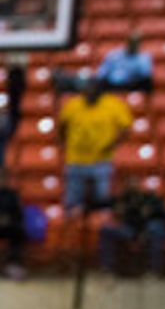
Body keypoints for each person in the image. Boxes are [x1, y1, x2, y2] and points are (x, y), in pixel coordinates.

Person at [55, 77, 134, 213]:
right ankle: (70, 228)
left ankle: (101, 228)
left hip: (101, 160)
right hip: (76, 159)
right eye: (88, 90)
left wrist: (113, 144)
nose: (90, 93)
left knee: (102, 200)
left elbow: (126, 128)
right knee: (72, 202)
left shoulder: (113, 105)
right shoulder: (72, 105)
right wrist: (64, 143)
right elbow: (61, 126)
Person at [96, 183, 165, 277]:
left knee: (156, 229)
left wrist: (149, 216)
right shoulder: (120, 200)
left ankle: (154, 269)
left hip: (147, 230)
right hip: (129, 231)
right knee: (106, 230)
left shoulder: (149, 199)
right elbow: (100, 204)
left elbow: (164, 215)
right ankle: (106, 267)